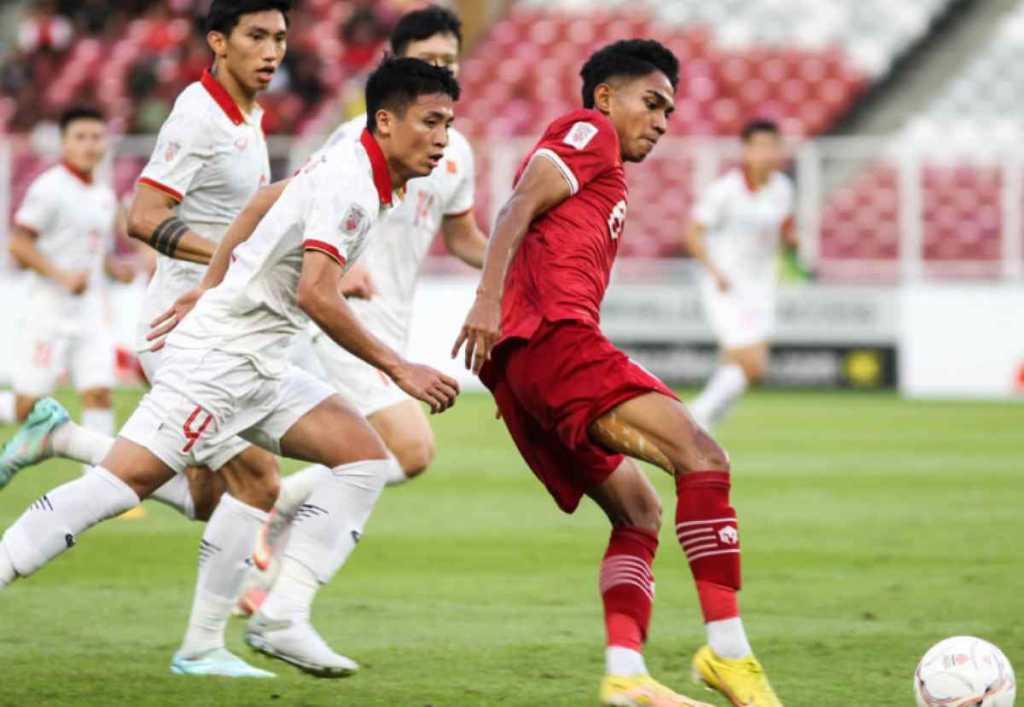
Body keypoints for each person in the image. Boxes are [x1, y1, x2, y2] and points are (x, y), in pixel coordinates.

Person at [0, 56, 460, 681]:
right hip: (218, 364)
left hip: (261, 362)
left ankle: (281, 617)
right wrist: (400, 368)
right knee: (117, 487)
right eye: (431, 122)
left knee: (362, 457)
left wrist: (215, 283)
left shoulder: (359, 164)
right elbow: (317, 295)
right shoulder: (353, 181)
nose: (443, 138)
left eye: (448, 124)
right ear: (385, 120)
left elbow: (267, 201)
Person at [452, 40, 783, 707]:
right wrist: (487, 297)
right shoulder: (590, 132)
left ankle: (626, 671)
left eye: (669, 110)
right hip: (554, 343)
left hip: (523, 370)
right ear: (606, 95)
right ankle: (730, 655)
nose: (661, 121)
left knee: (639, 510)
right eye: (651, 102)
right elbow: (517, 203)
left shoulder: (605, 170)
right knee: (704, 456)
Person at [233, 5, 488, 614]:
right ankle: (277, 519)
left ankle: (265, 586)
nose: (441, 68)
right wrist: (342, 268)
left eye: (450, 61)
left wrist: (523, 262)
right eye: (428, 59)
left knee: (362, 464)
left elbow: (462, 238)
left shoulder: (458, 153)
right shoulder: (355, 140)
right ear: (394, 66)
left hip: (391, 320)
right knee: (409, 449)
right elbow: (298, 208)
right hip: (340, 321)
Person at [0, 0, 292, 528]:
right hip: (181, 333)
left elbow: (132, 228)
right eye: (257, 36)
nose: (272, 51)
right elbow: (145, 216)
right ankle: (273, 600)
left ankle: (65, 438)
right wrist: (238, 256)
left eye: (279, 38)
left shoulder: (249, 115)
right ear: (219, 42)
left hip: (211, 323)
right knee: (261, 479)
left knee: (207, 500)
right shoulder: (199, 115)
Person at [0, 107, 134, 489]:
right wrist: (59, 275)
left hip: (90, 312)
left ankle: (100, 484)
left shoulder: (104, 193)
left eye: (96, 137)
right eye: (81, 137)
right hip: (50, 312)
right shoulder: (49, 188)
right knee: (28, 406)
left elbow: (97, 250)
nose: (90, 145)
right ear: (64, 143)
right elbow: (19, 244)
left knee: (99, 392)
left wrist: (114, 267)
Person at [686, 120, 796, 431]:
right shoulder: (725, 191)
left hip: (762, 288)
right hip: (727, 285)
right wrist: (713, 269)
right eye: (760, 146)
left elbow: (786, 226)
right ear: (746, 151)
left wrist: (792, 240)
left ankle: (701, 424)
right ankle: (696, 419)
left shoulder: (783, 189)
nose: (767, 153)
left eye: (773, 146)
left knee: (745, 367)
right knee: (750, 361)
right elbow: (694, 233)